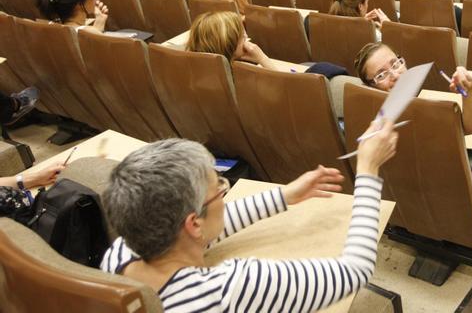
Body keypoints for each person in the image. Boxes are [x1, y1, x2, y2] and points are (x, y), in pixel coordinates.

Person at [100, 123, 398, 312]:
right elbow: (355, 271)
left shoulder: (119, 253)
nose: (223, 190)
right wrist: (368, 170)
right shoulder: (229, 288)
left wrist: (284, 196)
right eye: (219, 187)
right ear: (193, 223)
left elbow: (203, 229)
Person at [355, 42, 472, 186]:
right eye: (381, 75)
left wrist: (470, 86)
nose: (395, 75)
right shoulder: (380, 131)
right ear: (369, 87)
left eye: (395, 64)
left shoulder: (414, 106)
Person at [186, 11, 282, 71]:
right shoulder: (239, 80)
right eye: (243, 37)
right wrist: (262, 59)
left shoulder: (200, 71)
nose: (247, 37)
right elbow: (286, 88)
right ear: (228, 45)